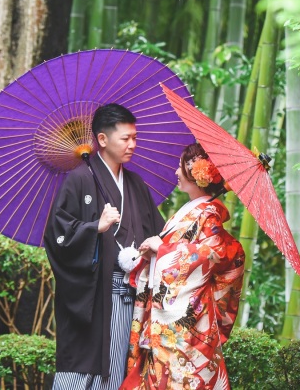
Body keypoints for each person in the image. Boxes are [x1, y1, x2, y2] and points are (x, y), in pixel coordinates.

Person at [44, 103, 166, 389]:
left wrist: (152, 247)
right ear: (102, 139)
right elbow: (56, 236)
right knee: (84, 364)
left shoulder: (135, 183)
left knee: (119, 363)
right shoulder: (79, 179)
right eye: (126, 138)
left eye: (135, 137)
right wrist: (94, 228)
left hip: (130, 291)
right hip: (93, 292)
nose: (132, 144)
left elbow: (158, 231)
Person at [121, 143, 245, 390]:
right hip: (171, 317)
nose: (176, 172)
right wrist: (151, 255)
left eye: (181, 167)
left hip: (184, 325)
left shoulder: (207, 214)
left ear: (197, 176)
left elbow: (213, 253)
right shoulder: (193, 210)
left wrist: (163, 249)